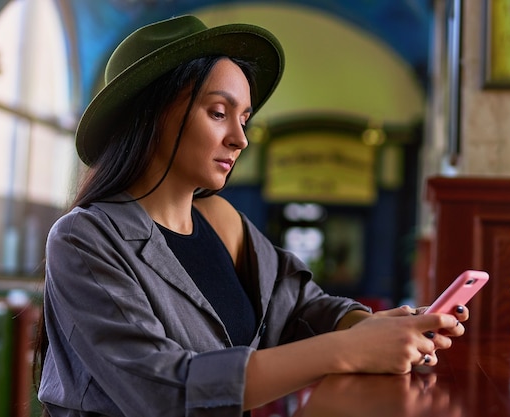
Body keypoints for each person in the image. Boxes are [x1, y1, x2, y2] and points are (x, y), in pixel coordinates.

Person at [33, 14, 469, 417]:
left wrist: (374, 326)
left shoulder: (223, 222)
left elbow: (302, 306)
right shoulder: (83, 238)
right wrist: (348, 348)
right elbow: (163, 391)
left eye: (244, 119)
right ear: (150, 114)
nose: (240, 139)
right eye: (219, 113)